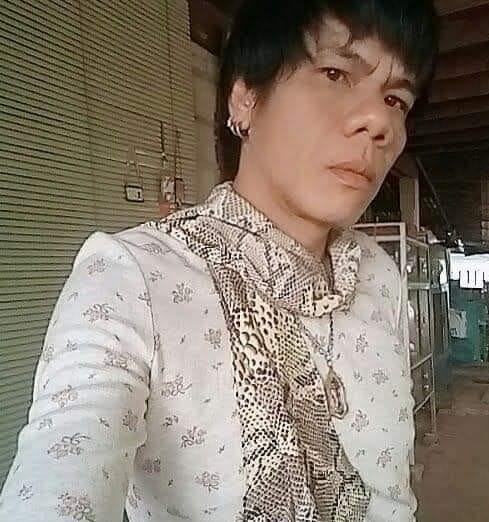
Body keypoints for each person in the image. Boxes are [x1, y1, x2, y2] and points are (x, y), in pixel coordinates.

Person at [0, 0, 439, 520]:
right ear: (245, 97)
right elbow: (63, 465)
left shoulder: (378, 275)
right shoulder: (132, 276)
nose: (379, 121)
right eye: (335, 73)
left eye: (395, 99)